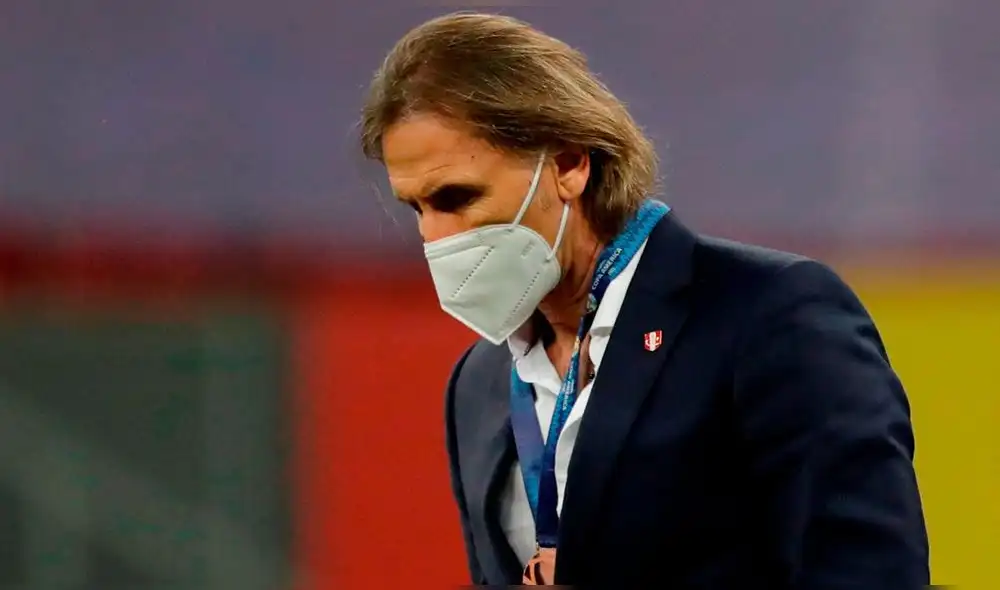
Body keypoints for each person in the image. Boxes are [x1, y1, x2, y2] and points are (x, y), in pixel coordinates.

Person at [359, 12, 929, 588]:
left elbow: (871, 575)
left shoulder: (770, 316)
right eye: (417, 208)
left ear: (567, 165)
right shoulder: (477, 385)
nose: (435, 236)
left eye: (457, 197)